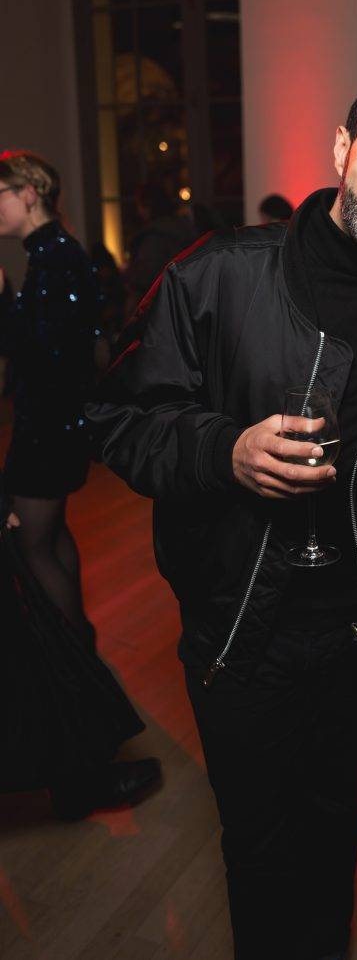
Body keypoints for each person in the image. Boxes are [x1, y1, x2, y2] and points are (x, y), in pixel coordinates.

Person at [87, 72, 357, 960]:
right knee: (259, 847)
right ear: (342, 148)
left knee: (335, 828)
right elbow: (115, 417)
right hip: (238, 629)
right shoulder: (217, 274)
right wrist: (225, 450)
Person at [0, 149, 160, 817]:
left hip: (47, 427)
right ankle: (79, 660)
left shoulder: (56, 257)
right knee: (51, 541)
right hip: (51, 423)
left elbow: (40, 351)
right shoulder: (53, 254)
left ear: (28, 192)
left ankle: (72, 660)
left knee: (35, 548)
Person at [123, 180, 198, 319]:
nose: (139, 211)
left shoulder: (155, 237)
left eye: (140, 205)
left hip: (156, 313)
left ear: (147, 206)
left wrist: (128, 273)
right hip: (179, 309)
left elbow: (147, 274)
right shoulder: (182, 230)